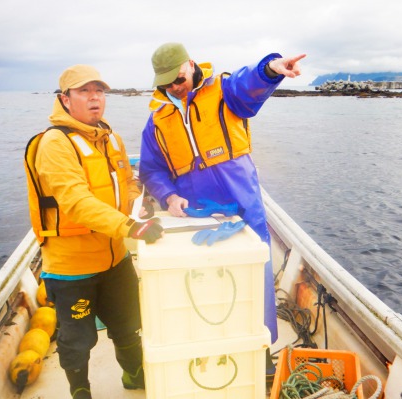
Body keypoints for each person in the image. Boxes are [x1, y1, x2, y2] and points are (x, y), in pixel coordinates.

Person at [138, 43, 305, 374]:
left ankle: (260, 348)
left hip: (239, 194)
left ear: (190, 64)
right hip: (194, 205)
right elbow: (151, 170)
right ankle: (209, 341)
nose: (174, 86)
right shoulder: (156, 120)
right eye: (167, 82)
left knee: (254, 267)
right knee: (203, 273)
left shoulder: (223, 89)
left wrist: (270, 69)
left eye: (178, 77)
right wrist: (168, 196)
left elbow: (250, 85)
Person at [24, 64, 163, 399]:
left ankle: (133, 375)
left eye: (99, 91)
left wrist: (136, 206)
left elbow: (127, 184)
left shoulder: (110, 138)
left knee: (128, 326)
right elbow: (76, 202)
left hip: (115, 258)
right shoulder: (54, 144)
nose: (94, 98)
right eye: (84, 91)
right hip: (72, 267)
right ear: (65, 99)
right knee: (76, 340)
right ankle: (81, 390)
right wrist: (131, 227)